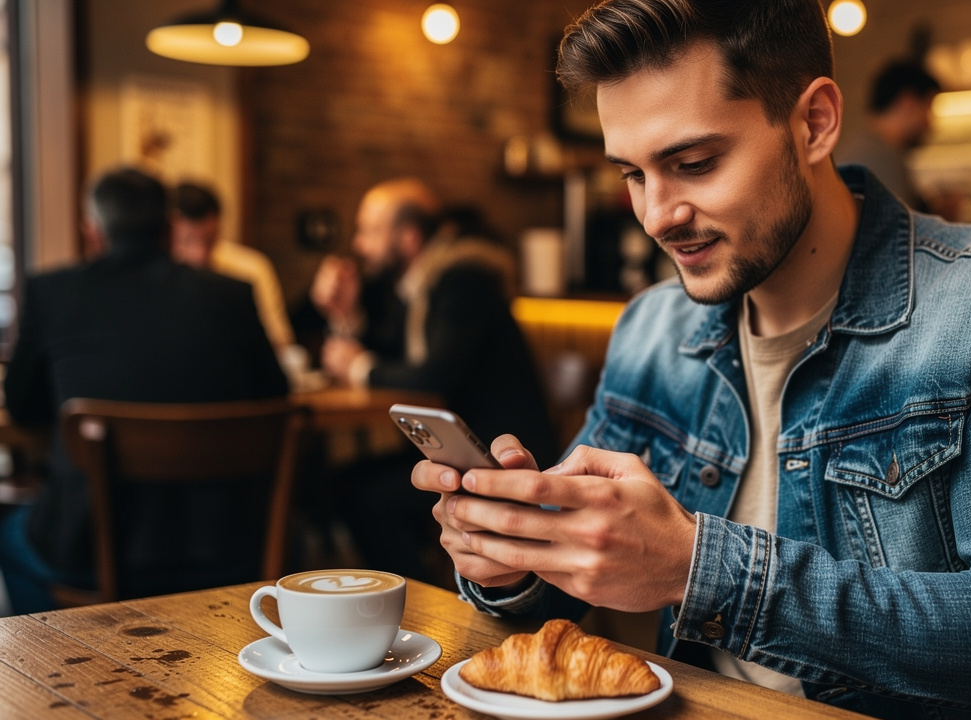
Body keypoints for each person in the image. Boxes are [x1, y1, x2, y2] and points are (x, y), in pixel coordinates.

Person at [411, 1, 971, 718]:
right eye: (632, 174)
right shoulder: (653, 329)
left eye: (693, 164)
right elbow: (566, 584)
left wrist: (698, 568)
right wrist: (512, 562)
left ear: (813, 122)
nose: (657, 214)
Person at [0, 167, 288, 614]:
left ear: (93, 231)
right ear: (170, 229)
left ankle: (54, 661)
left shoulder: (50, 294)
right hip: (226, 546)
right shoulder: (231, 296)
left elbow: (23, 408)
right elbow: (277, 397)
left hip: (90, 548)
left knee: (11, 536)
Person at [292, 178, 555, 585]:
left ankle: (417, 600)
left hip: (503, 456)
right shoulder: (419, 288)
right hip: (458, 451)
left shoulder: (462, 280)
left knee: (363, 495)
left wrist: (360, 366)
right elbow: (395, 354)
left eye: (369, 231)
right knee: (344, 483)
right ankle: (415, 592)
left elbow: (433, 374)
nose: (360, 245)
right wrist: (346, 317)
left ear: (409, 237)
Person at [170, 182, 296, 352]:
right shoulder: (154, 278)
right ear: (167, 236)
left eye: (209, 240)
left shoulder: (251, 269)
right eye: (187, 241)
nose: (200, 254)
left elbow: (281, 342)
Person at [841, 60, 941, 213]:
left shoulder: (864, 148)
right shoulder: (881, 157)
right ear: (908, 104)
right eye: (929, 108)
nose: (931, 122)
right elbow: (905, 232)